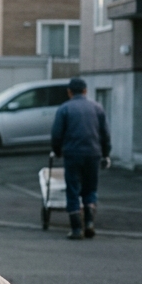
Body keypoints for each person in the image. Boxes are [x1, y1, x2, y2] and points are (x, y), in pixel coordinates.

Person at [50, 77, 111, 240]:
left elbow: (56, 135)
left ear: (69, 92)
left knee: (73, 189)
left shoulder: (64, 109)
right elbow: (105, 134)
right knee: (90, 189)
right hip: (93, 153)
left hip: (72, 154)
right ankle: (90, 223)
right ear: (85, 91)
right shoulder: (97, 108)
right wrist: (106, 154)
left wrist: (57, 151)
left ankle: (77, 229)